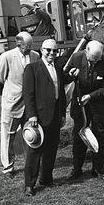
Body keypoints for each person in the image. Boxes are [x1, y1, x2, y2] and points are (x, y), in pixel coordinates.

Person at [23, 39, 69, 196]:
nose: (51, 53)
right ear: (41, 50)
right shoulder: (32, 68)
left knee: (51, 149)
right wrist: (32, 115)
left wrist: (62, 114)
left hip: (55, 115)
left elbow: (61, 91)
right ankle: (29, 184)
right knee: (34, 151)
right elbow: (28, 95)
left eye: (54, 51)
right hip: (39, 117)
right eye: (48, 50)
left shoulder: (57, 67)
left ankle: (46, 179)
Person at [64, 40, 104, 180]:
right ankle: (76, 169)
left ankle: (97, 169)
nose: (95, 62)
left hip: (99, 105)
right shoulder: (76, 57)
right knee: (79, 136)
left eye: (98, 59)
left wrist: (91, 96)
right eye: (92, 59)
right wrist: (71, 75)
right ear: (86, 51)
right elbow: (65, 77)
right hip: (81, 105)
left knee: (100, 136)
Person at [0, 31, 40, 179]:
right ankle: (8, 168)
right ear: (18, 44)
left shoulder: (35, 56)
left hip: (29, 104)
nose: (29, 49)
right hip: (12, 103)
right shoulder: (6, 57)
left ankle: (31, 165)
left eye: (30, 46)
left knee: (30, 134)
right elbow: (1, 78)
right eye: (26, 47)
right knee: (8, 135)